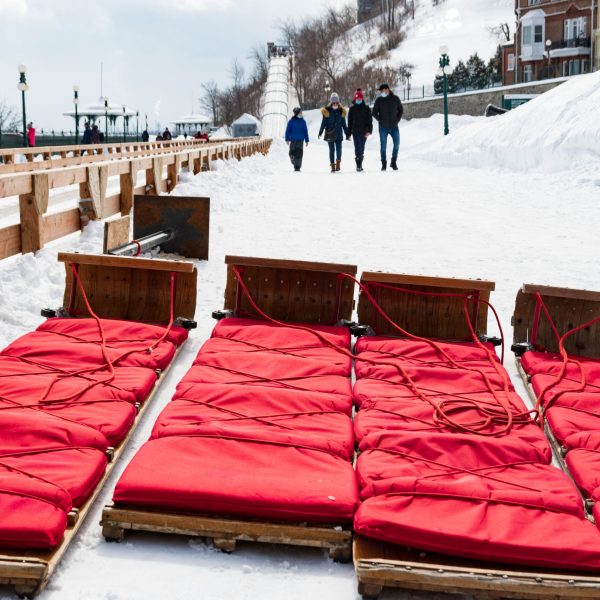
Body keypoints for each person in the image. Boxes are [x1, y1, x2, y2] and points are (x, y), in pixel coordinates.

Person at [372, 83, 403, 171]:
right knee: (383, 146)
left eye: (382, 91)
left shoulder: (395, 99)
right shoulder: (379, 100)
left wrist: (397, 120)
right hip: (383, 128)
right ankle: (384, 164)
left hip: (394, 127)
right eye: (380, 91)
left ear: (387, 89)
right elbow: (374, 112)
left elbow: (401, 110)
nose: (381, 92)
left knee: (397, 144)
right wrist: (381, 120)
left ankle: (393, 162)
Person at [318, 92, 348, 173]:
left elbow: (344, 124)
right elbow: (323, 123)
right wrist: (320, 132)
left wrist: (347, 133)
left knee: (339, 149)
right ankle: (332, 166)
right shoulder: (326, 111)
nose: (335, 104)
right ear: (331, 102)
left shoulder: (342, 111)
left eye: (336, 102)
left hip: (339, 134)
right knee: (331, 150)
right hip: (330, 134)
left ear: (338, 102)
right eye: (333, 102)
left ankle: (338, 162)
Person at [347, 88, 372, 172]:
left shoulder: (366, 108)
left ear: (362, 99)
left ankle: (360, 162)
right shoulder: (352, 109)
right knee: (357, 147)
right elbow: (349, 122)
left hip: (364, 132)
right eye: (357, 99)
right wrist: (348, 133)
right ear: (355, 99)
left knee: (362, 148)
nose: (358, 100)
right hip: (355, 132)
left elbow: (369, 120)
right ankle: (358, 165)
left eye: (360, 99)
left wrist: (369, 131)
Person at [285, 107, 309, 172]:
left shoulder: (303, 122)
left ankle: (297, 167)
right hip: (293, 140)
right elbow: (288, 130)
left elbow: (305, 131)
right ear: (297, 113)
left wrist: (307, 140)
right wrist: (287, 139)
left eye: (301, 113)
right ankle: (294, 161)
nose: (301, 114)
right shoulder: (291, 121)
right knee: (291, 153)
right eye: (300, 113)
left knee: (299, 153)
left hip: (300, 140)